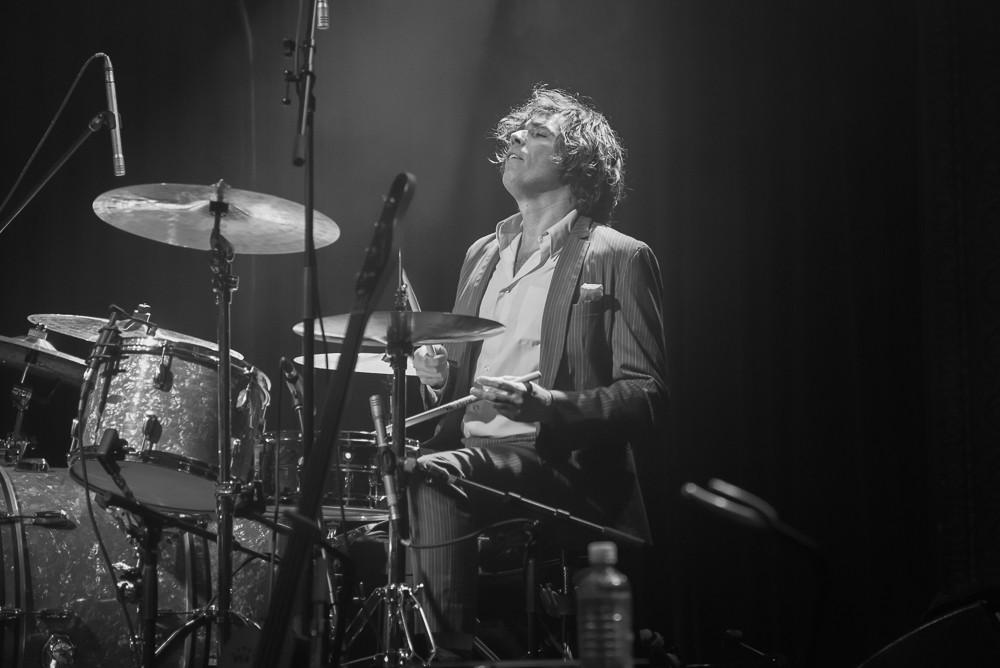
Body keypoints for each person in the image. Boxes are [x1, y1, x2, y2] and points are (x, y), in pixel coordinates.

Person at [408, 85, 668, 659]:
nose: (516, 137)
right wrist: (439, 376)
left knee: (431, 473)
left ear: (579, 163)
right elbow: (469, 381)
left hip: (557, 464)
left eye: (539, 132)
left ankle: (446, 652)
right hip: (476, 455)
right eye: (516, 131)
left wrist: (546, 405)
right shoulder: (482, 254)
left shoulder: (617, 254)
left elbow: (646, 395)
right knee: (380, 482)